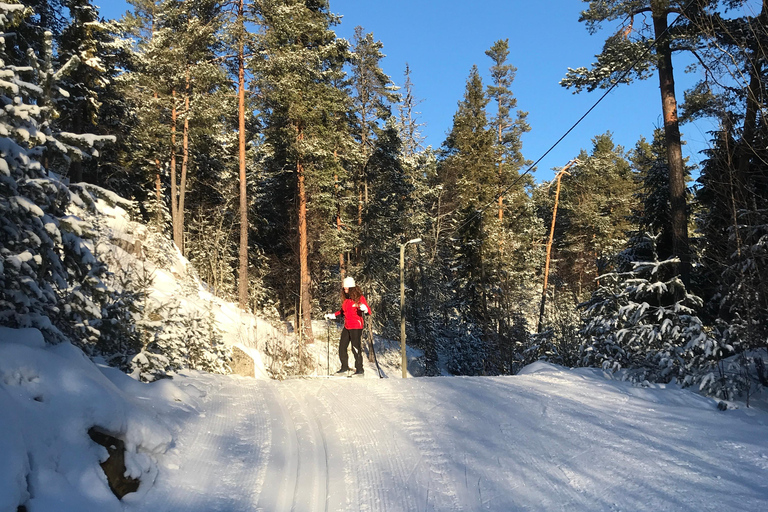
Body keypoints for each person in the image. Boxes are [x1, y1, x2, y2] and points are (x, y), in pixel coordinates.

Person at [324, 276, 369, 376]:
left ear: (352, 288)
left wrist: (364, 309)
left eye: (347, 288)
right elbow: (342, 312)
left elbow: (368, 311)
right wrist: (332, 315)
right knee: (342, 347)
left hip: (356, 326)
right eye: (344, 288)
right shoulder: (346, 301)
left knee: (355, 347)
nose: (345, 290)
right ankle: (344, 368)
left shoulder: (360, 298)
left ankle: (360, 370)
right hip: (347, 326)